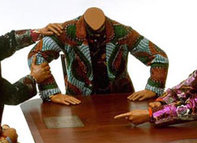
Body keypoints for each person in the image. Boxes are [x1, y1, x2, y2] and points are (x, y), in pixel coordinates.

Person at [27, 7, 168, 105]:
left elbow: (159, 57)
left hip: (120, 101)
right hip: (78, 102)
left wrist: (153, 88)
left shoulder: (123, 32)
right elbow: (37, 55)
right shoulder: (67, 31)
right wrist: (51, 92)